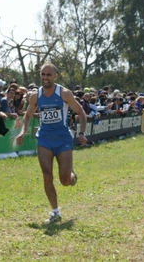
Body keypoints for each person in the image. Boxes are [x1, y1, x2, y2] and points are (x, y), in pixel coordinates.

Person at [16, 62, 87, 223]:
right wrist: (22, 132)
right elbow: (27, 116)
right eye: (43, 74)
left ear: (55, 76)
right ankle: (55, 212)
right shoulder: (36, 96)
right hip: (44, 139)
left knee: (65, 180)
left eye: (49, 75)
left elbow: (80, 112)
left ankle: (71, 175)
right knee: (47, 175)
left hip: (63, 139)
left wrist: (82, 133)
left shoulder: (65, 93)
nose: (45, 77)